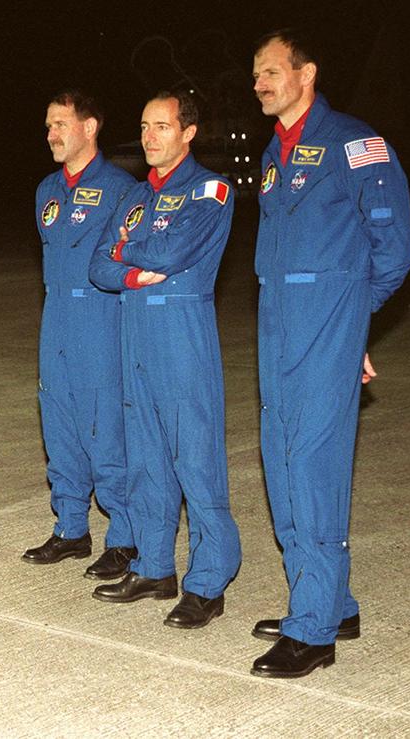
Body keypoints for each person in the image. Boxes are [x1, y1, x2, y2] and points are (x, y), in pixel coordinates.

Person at [248, 30, 410, 678]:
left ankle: (313, 630)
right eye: (255, 73)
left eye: (270, 70)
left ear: (307, 72)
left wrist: (350, 321)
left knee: (313, 467)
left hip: (324, 324)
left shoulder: (355, 143)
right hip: (276, 325)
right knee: (283, 460)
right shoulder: (272, 151)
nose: (259, 81)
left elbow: (394, 246)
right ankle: (328, 599)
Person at [87, 91, 241, 628]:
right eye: (145, 126)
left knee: (194, 460)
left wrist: (124, 251)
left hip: (181, 334)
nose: (150, 136)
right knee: (145, 460)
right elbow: (95, 266)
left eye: (162, 126)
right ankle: (154, 566)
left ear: (188, 132)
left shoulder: (210, 190)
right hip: (135, 332)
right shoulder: (134, 198)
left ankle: (208, 581)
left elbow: (171, 254)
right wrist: (129, 267)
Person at [22, 90, 138, 581]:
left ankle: (126, 538)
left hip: (99, 321)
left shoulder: (122, 189)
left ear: (90, 128)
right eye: (48, 125)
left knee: (105, 433)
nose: (51, 134)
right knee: (60, 427)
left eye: (61, 124)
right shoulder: (46, 189)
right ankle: (71, 528)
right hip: (56, 322)